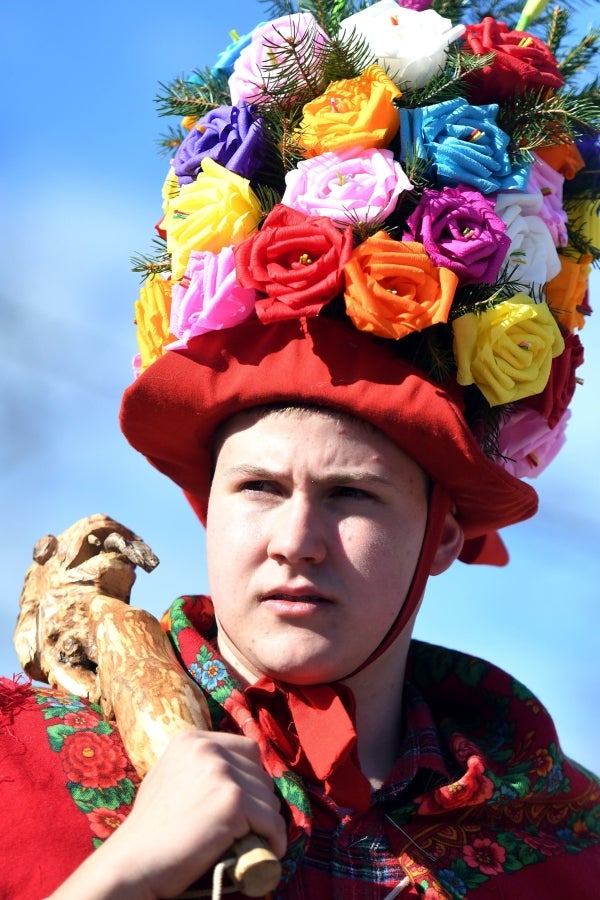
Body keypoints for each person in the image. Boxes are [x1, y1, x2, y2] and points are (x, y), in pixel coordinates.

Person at [1, 1, 599, 898]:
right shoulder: (14, 766)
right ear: (206, 503)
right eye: (258, 488)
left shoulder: (569, 844)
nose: (295, 538)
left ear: (442, 536)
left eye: (353, 495)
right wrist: (122, 875)